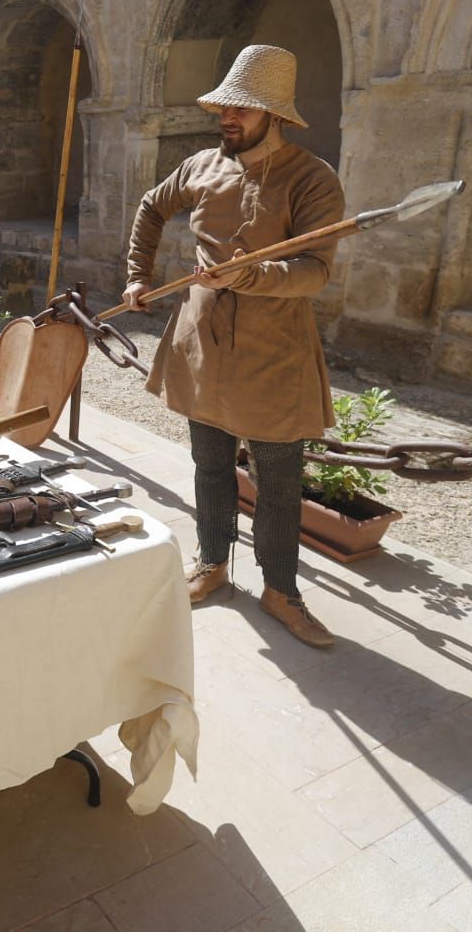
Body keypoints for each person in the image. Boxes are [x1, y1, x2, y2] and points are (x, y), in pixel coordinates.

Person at [121, 44, 344, 649]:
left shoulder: (312, 179)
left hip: (275, 349)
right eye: (226, 106)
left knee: (277, 479)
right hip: (203, 342)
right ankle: (213, 566)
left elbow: (314, 271)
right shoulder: (202, 165)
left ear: (275, 116)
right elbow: (151, 206)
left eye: (242, 109)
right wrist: (138, 276)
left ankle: (281, 592)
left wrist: (253, 277)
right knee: (210, 463)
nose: (228, 118)